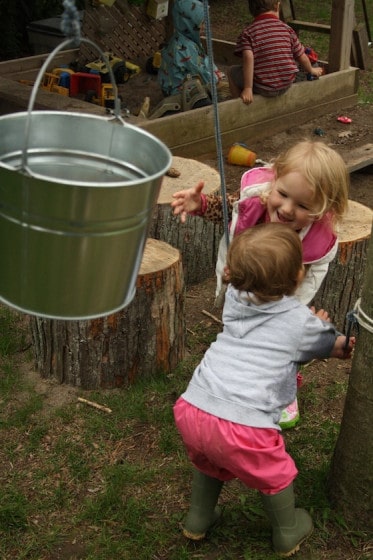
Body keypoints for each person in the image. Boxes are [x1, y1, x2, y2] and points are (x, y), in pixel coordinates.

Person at [173, 223, 355, 557]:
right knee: (273, 473)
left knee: (211, 458)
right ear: (298, 277)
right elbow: (335, 346)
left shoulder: (234, 297)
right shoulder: (301, 321)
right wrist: (332, 333)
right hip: (244, 423)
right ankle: (287, 530)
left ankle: (198, 517)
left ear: (236, 274)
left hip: (194, 405)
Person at [171, 140, 350, 428]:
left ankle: (282, 388)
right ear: (275, 178)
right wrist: (201, 204)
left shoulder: (317, 238)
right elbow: (231, 210)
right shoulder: (259, 201)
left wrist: (295, 313)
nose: (288, 209)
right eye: (283, 194)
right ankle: (234, 375)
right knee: (243, 334)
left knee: (285, 341)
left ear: (324, 208)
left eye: (303, 205)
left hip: (286, 295)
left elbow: (307, 277)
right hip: (245, 282)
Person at [227, 0, 323, 104]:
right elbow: (302, 56)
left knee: (231, 71)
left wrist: (248, 88)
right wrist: (311, 70)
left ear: (252, 11)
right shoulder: (287, 29)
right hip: (286, 84)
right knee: (292, 62)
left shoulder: (248, 33)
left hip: (263, 87)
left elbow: (248, 58)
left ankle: (239, 105)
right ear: (277, 6)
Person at [157, 0, 221, 101]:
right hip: (177, 92)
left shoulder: (187, 38)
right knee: (208, 98)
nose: (206, 27)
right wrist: (216, 79)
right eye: (202, 23)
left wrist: (215, 71)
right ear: (189, 24)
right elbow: (200, 71)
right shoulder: (186, 47)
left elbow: (204, 60)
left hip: (175, 84)